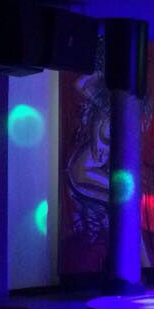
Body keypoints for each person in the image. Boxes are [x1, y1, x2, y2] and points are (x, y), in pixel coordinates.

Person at [66, 61, 110, 244]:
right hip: (84, 170)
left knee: (118, 201)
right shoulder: (104, 109)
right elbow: (79, 84)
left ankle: (90, 221)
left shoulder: (105, 109)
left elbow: (80, 85)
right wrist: (102, 71)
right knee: (122, 197)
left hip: (83, 167)